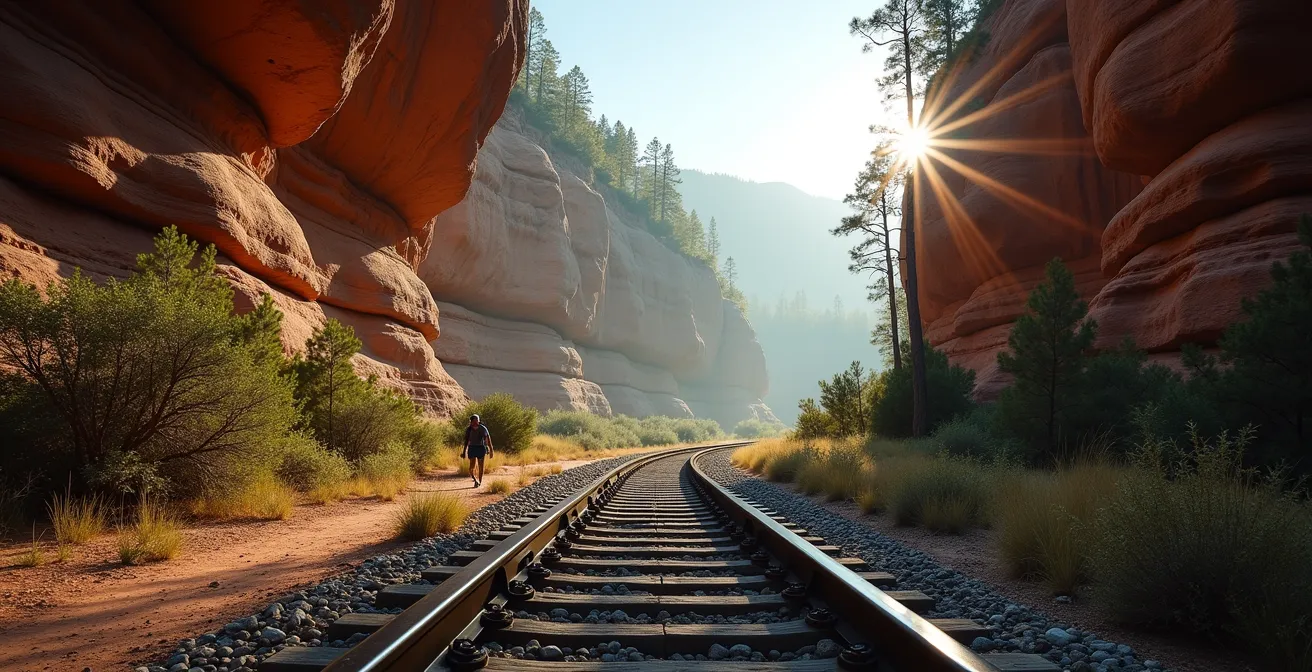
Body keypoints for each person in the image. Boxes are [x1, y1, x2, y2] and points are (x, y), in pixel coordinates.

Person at [461, 414, 494, 487]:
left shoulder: (483, 428)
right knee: (471, 467)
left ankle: (479, 481)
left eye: (477, 420)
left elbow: (488, 439)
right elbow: (466, 441)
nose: (475, 422)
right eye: (473, 421)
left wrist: (491, 450)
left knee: (481, 466)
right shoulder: (469, 429)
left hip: (481, 448)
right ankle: (475, 478)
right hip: (472, 448)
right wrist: (464, 452)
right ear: (471, 422)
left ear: (479, 421)